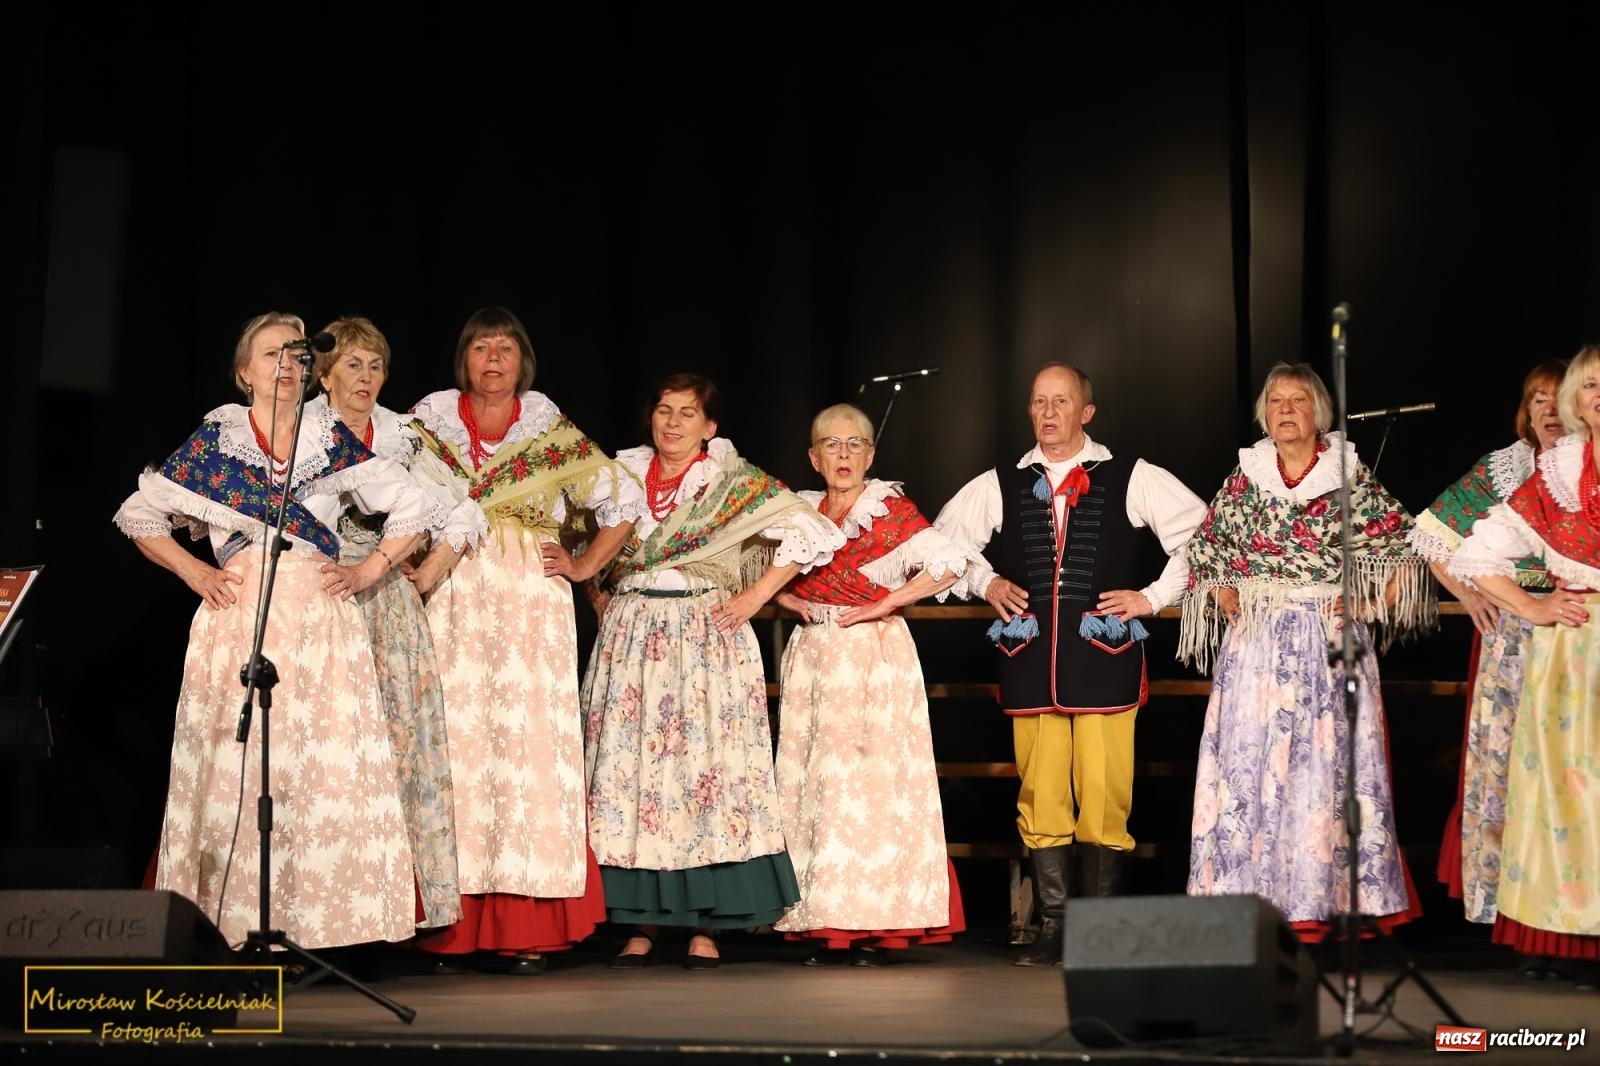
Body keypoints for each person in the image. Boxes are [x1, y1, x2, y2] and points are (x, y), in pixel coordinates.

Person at [113, 311, 432, 950]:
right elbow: (139, 513)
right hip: (241, 619)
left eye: (295, 355)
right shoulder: (219, 440)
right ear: (244, 372)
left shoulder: (329, 438)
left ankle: (322, 926)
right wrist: (194, 572)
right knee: (243, 768)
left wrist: (371, 567)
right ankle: (233, 926)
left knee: (316, 771)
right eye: (269, 355)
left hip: (319, 621)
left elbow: (415, 504)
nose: (285, 366)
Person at [934, 363, 1206, 967]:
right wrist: (986, 581)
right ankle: (1055, 923)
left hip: (1105, 658)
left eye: (1061, 401)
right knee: (1040, 792)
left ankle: (1101, 927)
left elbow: (1202, 538)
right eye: (1038, 402)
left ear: (1087, 412)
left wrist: (1153, 598)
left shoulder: (1132, 476)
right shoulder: (1003, 481)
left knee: (1107, 793)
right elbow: (942, 542)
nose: (1048, 412)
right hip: (1029, 662)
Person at [405, 307, 644, 974]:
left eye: (505, 348)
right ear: (464, 359)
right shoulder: (429, 424)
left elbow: (622, 504)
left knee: (526, 753)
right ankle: (447, 927)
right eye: (481, 347)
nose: (493, 359)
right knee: (457, 747)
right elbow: (382, 493)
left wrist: (586, 565)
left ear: (522, 361)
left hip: (530, 606)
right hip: (452, 598)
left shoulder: (546, 428)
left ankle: (527, 926)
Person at [581, 373, 844, 969]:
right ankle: (641, 921)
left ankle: (708, 923)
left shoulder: (729, 481)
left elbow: (811, 532)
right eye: (664, 410)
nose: (672, 423)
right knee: (635, 777)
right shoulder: (619, 477)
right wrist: (599, 593)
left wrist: (756, 597)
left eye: (687, 413)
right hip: (632, 640)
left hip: (705, 636)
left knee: (706, 777)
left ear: (709, 427)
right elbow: (581, 537)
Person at [1180, 362, 1432, 942]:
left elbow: (1405, 546)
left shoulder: (1349, 478)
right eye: (1275, 402)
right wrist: (1224, 590)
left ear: (1318, 412)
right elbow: (1209, 548)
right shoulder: (1247, 478)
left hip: (1326, 646)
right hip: (1259, 649)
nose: (1285, 411)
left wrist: (1367, 603)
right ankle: (1247, 904)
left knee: (1326, 775)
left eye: (1297, 400)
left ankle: (1320, 905)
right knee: (1249, 777)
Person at [310, 315, 490, 931]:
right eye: (353, 365)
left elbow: (464, 509)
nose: (366, 377)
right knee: (330, 743)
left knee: (399, 745)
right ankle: (322, 896)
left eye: (376, 365)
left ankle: (396, 904)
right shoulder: (302, 428)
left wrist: (433, 566)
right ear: (325, 373)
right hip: (318, 593)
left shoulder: (402, 434)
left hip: (386, 600)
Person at [772, 403, 968, 965]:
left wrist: (887, 602)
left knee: (874, 787)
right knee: (817, 786)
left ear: (871, 455)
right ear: (813, 457)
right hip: (814, 655)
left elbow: (949, 564)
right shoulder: (799, 514)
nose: (844, 455)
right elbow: (752, 571)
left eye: (854, 444)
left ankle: (875, 924)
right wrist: (792, 601)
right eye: (832, 445)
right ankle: (819, 920)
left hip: (875, 657)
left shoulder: (889, 510)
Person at [1448, 347, 1600, 983]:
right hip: (1572, 653)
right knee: (1568, 797)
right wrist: (1532, 607)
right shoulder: (1559, 475)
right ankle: (1573, 938)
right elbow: (1474, 553)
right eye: (1591, 384)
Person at [1410, 360, 1564, 931]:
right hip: (1516, 633)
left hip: (1578, 627)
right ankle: (1514, 912)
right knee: (1510, 769)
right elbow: (1430, 533)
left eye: (1557, 398)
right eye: (1536, 400)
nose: (1548, 410)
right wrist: (1472, 589)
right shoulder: (1505, 470)